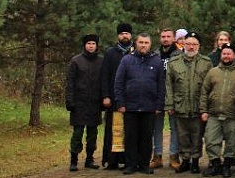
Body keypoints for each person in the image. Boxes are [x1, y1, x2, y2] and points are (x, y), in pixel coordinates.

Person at [114, 33, 165, 175]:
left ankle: (144, 164)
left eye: (146, 42)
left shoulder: (157, 61)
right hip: (130, 107)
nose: (143, 45)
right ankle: (130, 164)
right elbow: (118, 83)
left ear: (150, 44)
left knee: (146, 138)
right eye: (141, 42)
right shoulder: (126, 60)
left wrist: (159, 105)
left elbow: (161, 85)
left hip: (149, 107)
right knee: (131, 137)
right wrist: (120, 103)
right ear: (136, 43)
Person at [166, 31, 214, 173]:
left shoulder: (206, 62)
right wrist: (170, 104)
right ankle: (185, 161)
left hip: (198, 105)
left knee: (196, 135)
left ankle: (195, 162)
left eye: (194, 44)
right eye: (188, 44)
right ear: (183, 44)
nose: (191, 47)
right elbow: (169, 85)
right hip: (180, 105)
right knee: (182, 135)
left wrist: (206, 107)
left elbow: (210, 86)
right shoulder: (174, 62)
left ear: (199, 46)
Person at [200, 42, 235, 177]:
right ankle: (215, 165)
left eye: (229, 54)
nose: (226, 56)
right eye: (224, 53)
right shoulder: (213, 72)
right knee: (210, 140)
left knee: (232, 141)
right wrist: (203, 110)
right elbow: (204, 92)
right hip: (213, 114)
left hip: (233, 114)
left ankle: (227, 165)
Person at [66, 33, 104, 172]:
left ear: (96, 45)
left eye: (93, 44)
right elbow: (70, 82)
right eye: (89, 44)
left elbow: (104, 81)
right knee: (77, 133)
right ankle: (74, 160)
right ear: (84, 45)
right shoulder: (75, 61)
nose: (91, 46)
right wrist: (69, 101)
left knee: (92, 134)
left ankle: (89, 159)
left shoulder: (101, 61)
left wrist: (104, 99)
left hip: (95, 104)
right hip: (79, 103)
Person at [101, 22, 133, 169]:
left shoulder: (135, 52)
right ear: (118, 36)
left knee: (130, 130)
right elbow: (104, 76)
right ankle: (112, 160)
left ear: (131, 35)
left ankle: (128, 160)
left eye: (127, 33)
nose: (124, 36)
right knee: (114, 130)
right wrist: (105, 95)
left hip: (132, 99)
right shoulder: (110, 53)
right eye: (122, 34)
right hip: (114, 99)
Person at [152, 28, 183, 170]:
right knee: (156, 128)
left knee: (174, 128)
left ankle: (173, 156)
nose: (165, 39)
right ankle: (157, 156)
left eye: (168, 36)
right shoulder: (154, 55)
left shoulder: (180, 55)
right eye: (163, 36)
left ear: (173, 39)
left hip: (174, 96)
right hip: (157, 96)